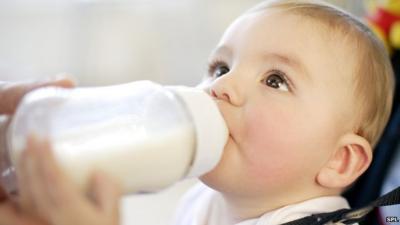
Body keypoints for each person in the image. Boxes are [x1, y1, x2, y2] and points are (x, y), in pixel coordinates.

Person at [0, 0, 396, 224]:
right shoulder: (204, 199)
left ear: (340, 161)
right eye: (220, 68)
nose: (221, 87)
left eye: (275, 80)